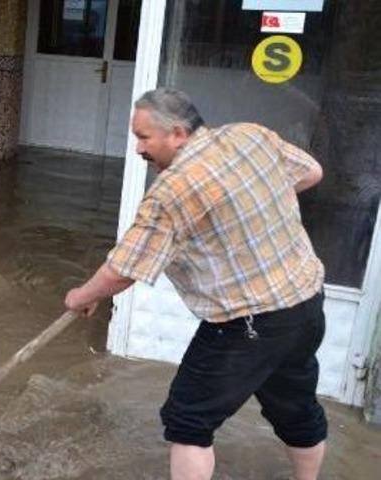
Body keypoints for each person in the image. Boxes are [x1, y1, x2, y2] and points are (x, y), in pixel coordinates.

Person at [64, 88, 327, 480]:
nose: (138, 149)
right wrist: (246, 206)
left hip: (247, 322)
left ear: (178, 133)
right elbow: (311, 172)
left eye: (143, 137)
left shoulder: (172, 191)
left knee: (188, 420)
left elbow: (123, 269)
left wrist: (81, 296)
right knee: (295, 406)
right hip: (306, 305)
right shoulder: (250, 135)